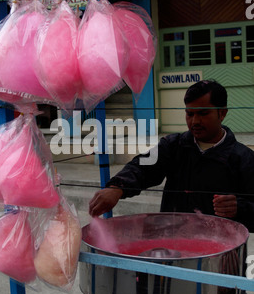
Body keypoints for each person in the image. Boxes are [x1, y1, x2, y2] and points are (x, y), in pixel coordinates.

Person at [89, 80, 254, 232]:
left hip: (221, 253)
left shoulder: (244, 159)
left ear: (222, 113)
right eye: (190, 114)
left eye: (203, 113)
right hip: (175, 245)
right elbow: (143, 166)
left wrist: (240, 207)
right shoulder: (174, 146)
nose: (195, 121)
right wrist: (117, 188)